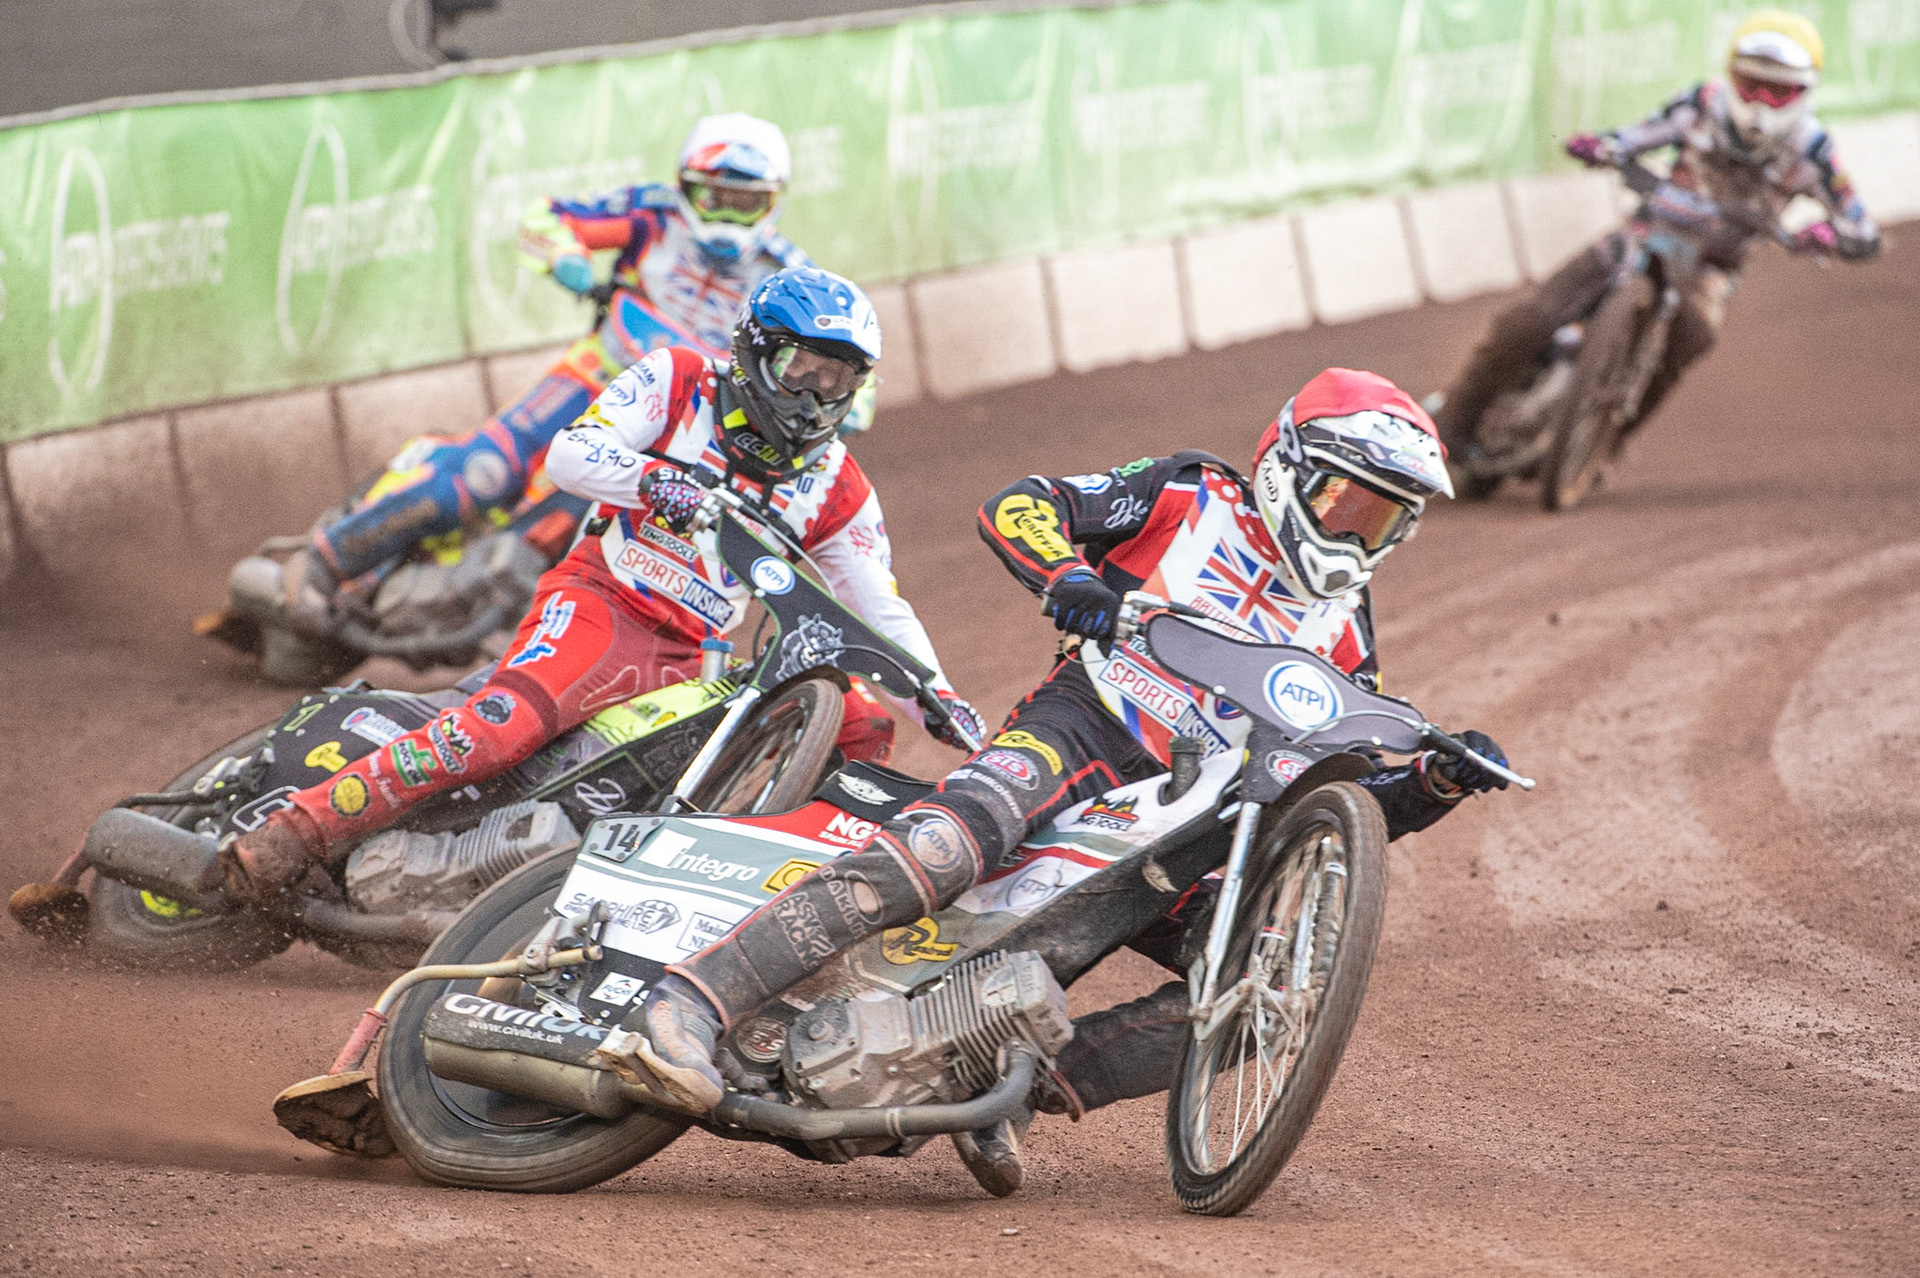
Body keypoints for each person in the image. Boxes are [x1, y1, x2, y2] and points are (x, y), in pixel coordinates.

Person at [629, 367, 1511, 1194]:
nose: (1356, 531)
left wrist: (1433, 782)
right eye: (1345, 501)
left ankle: (998, 1078)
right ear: (1288, 466)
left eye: (1383, 519)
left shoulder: (1347, 630)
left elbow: (1334, 804)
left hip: (1184, 819)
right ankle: (691, 1000)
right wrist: (1070, 576)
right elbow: (1023, 505)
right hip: (1085, 723)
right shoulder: (1192, 493)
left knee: (1260, 988)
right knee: (947, 844)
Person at [228, 267, 981, 896]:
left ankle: (778, 897)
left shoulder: (839, 484)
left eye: (838, 380)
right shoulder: (680, 379)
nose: (816, 397)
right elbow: (570, 455)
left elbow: (875, 604)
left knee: (861, 722)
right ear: (758, 353)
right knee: (503, 730)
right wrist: (657, 482)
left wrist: (938, 698)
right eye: (802, 371)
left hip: (701, 655)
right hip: (602, 602)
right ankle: (298, 830)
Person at [278, 112, 875, 644]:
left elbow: (859, 381)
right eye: (712, 196)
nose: (723, 217)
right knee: (485, 472)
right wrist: (567, 260)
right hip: (596, 373)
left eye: (743, 203)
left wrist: (830, 401)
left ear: (772, 203)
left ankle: (489, 623)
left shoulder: (789, 276)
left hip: (683, 418)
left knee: (564, 525)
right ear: (685, 186)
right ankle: (321, 563)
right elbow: (548, 218)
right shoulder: (651, 213)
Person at [1433, 9, 1879, 466]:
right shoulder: (1704, 104)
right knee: (1527, 320)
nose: (1763, 102)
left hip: (1711, 266)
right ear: (1731, 76)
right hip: (1644, 233)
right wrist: (1602, 146)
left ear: (1805, 91)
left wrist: (1828, 234)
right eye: (1752, 85)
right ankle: (1449, 427)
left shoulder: (1815, 150)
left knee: (1694, 332)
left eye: (1779, 91)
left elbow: (1861, 227)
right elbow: (1638, 135)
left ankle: (1606, 443)